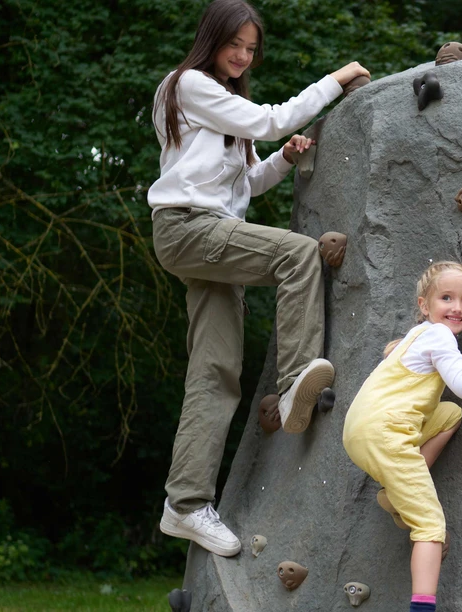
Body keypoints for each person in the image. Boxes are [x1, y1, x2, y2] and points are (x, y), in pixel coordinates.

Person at [148, 0, 370, 557]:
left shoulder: (224, 104)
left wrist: (285, 161)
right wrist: (336, 80)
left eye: (251, 49)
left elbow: (246, 184)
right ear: (212, 39)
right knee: (298, 255)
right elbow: (273, 120)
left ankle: (186, 504)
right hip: (187, 229)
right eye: (235, 46)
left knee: (215, 371)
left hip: (211, 235)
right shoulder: (188, 86)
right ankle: (297, 376)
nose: (243, 57)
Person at [343, 262, 462, 612]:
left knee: (449, 414)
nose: (457, 307)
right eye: (446, 297)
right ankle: (422, 608)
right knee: (430, 526)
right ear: (424, 305)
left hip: (361, 430)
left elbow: (452, 399)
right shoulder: (439, 335)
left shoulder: (417, 336)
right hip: (387, 433)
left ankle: (395, 494)